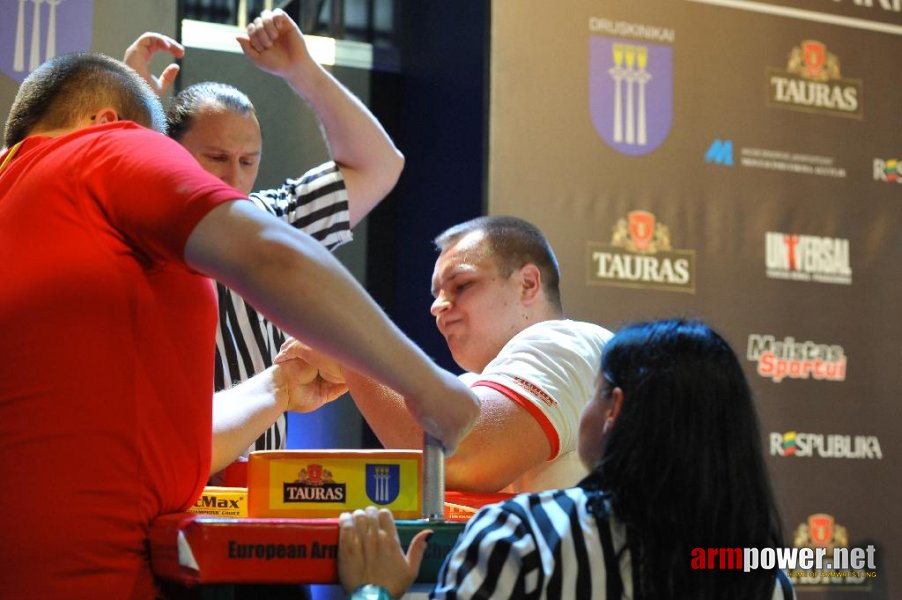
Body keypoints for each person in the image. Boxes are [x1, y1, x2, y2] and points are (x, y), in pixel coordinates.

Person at [0, 52, 478, 598]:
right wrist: (425, 384)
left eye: (248, 160)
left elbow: (165, 442)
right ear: (109, 126)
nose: (233, 177)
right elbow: (274, 256)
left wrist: (276, 388)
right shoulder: (106, 146)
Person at [338, 319, 796, 599]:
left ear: (613, 408)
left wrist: (373, 590)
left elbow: (465, 452)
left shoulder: (521, 537)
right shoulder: (763, 579)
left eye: (594, 391)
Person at [124, 7, 404, 453]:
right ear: (170, 150)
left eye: (248, 161)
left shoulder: (274, 219)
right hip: (165, 476)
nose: (233, 178)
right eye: (215, 158)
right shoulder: (134, 228)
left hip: (262, 486)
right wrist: (134, 123)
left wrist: (303, 71)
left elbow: (381, 165)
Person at [279, 215, 613, 493]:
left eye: (462, 285)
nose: (438, 306)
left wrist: (350, 354)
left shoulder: (566, 343)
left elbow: (463, 459)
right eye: (437, 293)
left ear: (528, 283)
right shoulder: (471, 387)